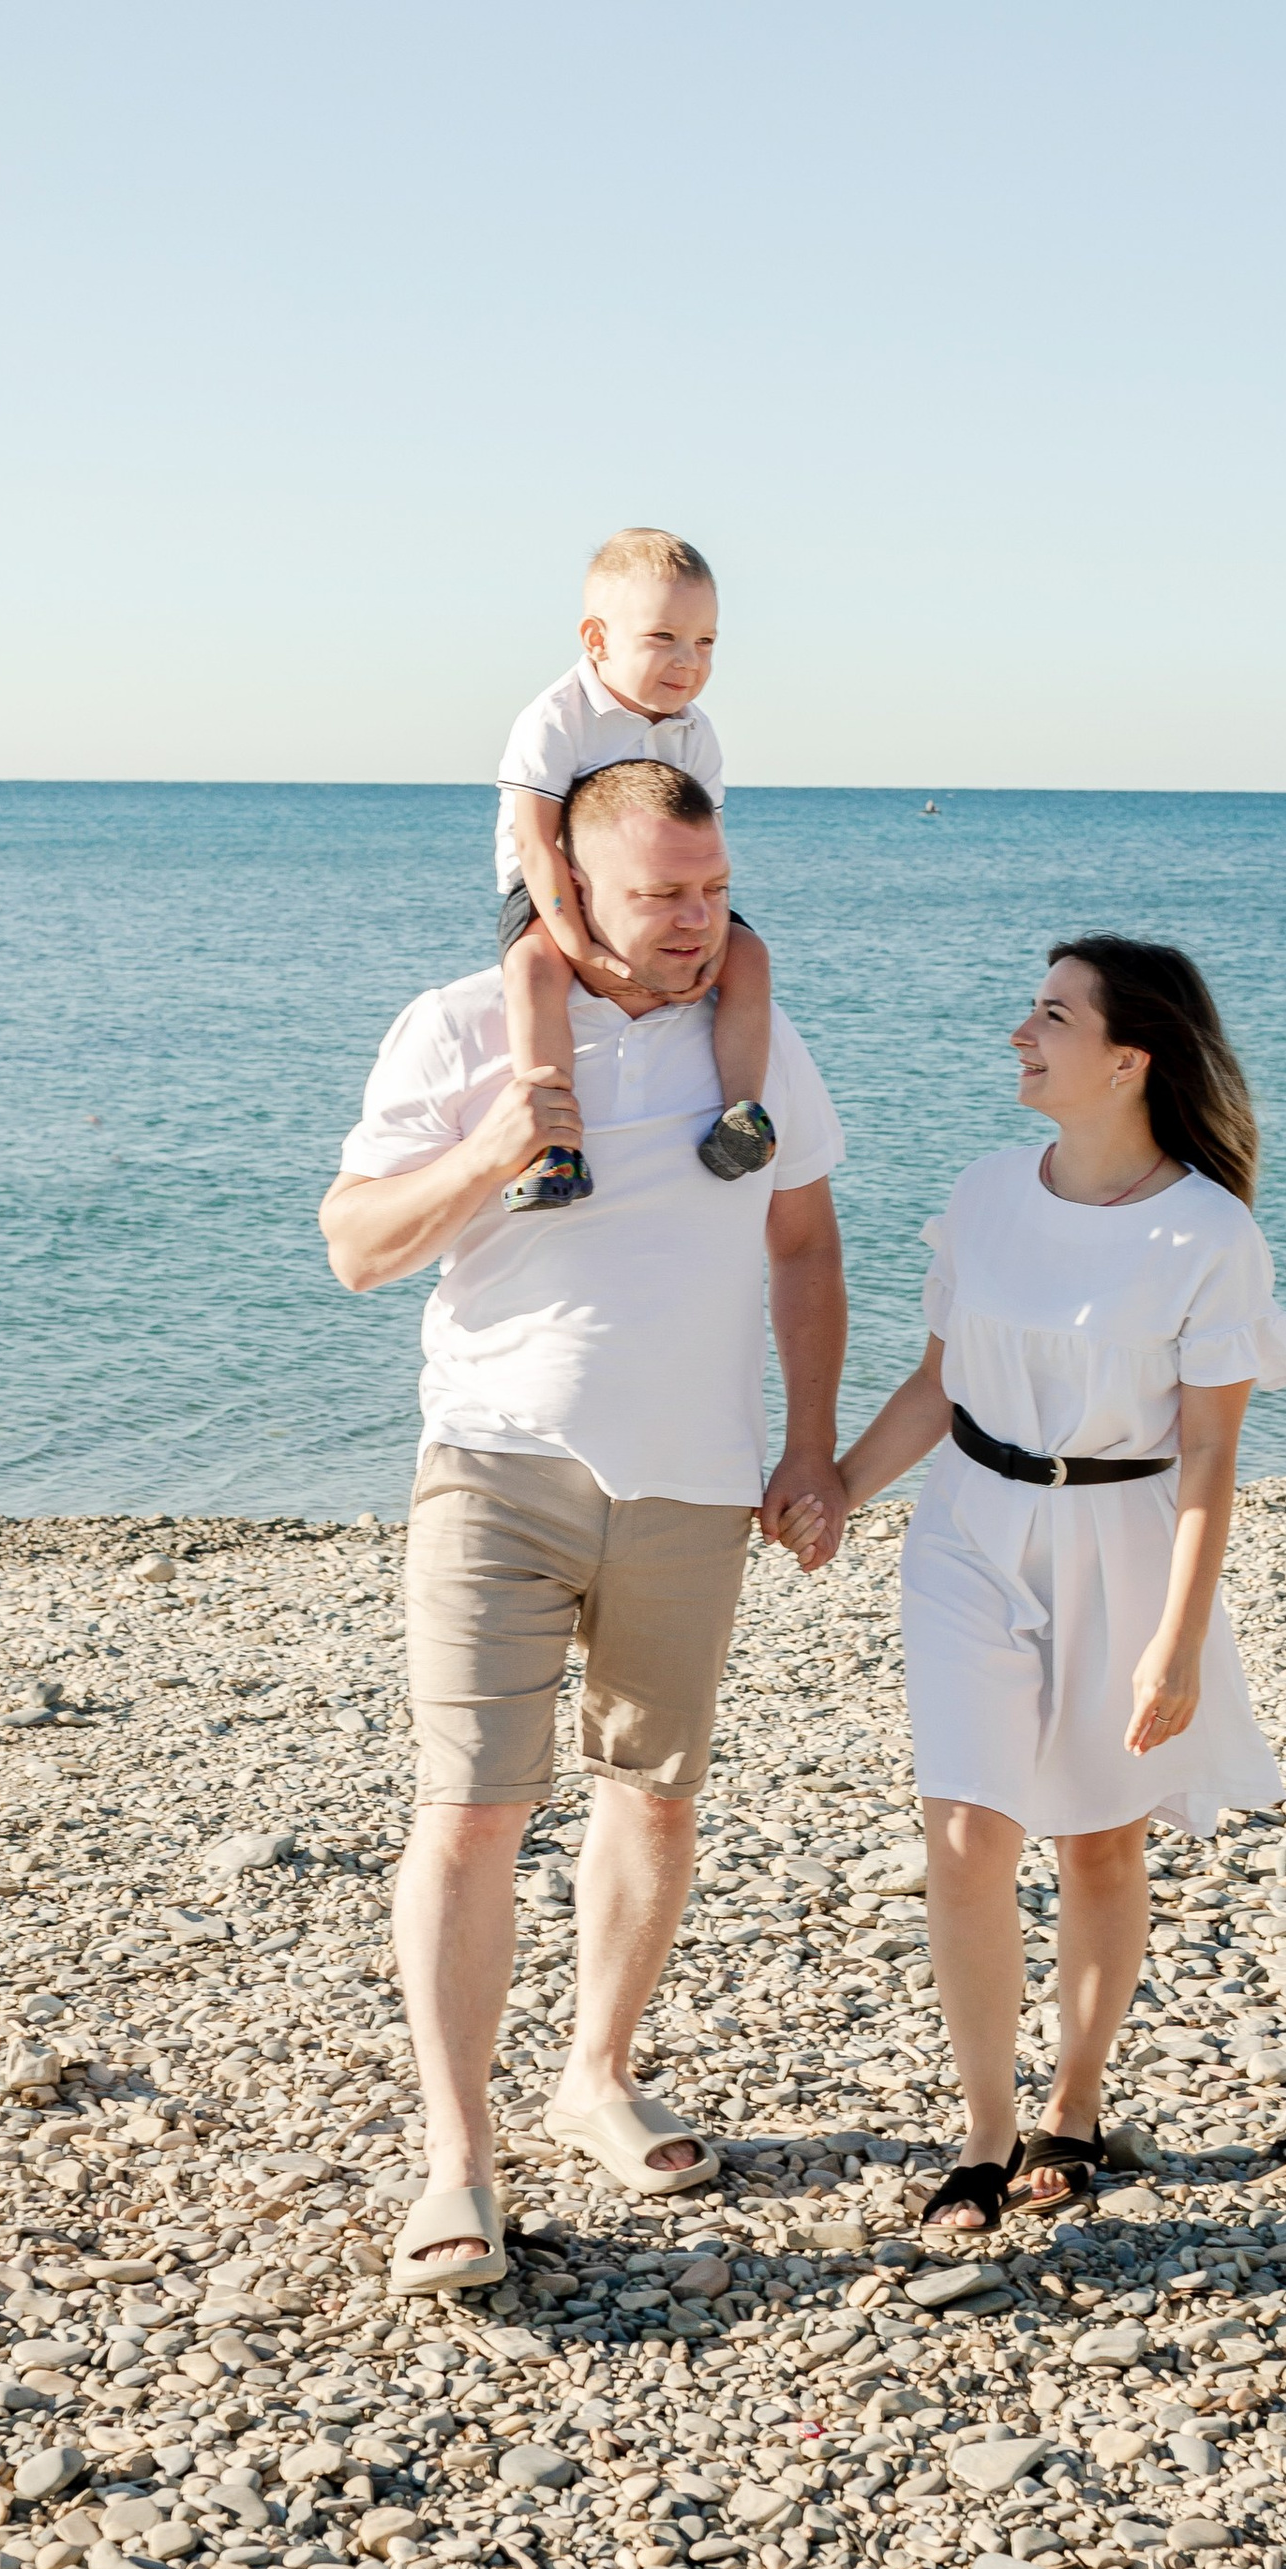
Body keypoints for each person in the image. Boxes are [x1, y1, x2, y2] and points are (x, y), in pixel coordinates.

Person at [319, 757, 848, 2299]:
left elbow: (805, 1246)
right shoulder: (464, 1025)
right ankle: (456, 2164)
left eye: (713, 887)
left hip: (692, 1479)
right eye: (662, 894)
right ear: (573, 886)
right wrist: (492, 1148)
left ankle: (597, 2077)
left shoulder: (751, 1042)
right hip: (494, 1466)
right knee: (476, 1808)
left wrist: (810, 1446)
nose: (699, 921)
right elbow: (354, 1248)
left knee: (655, 1798)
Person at [831, 938, 1286, 2237]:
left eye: (1050, 1015)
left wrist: (1179, 1645)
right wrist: (831, 1487)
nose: (1019, 1034)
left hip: (1124, 1538)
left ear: (1128, 1058)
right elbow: (937, 1383)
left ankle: (1075, 2109)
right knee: (967, 1834)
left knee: (1100, 1838)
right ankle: (985, 2137)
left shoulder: (1207, 1233)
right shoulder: (989, 1190)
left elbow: (1213, 1453)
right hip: (966, 1534)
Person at [494, 528, 777, 1210]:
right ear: (597, 639)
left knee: (750, 956)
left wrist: (711, 938)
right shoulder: (556, 720)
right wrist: (579, 946)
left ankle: (742, 1113)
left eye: (705, 642)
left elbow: (707, 848)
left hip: (662, 888)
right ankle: (554, 1145)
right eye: (663, 638)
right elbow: (536, 845)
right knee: (533, 970)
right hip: (552, 888)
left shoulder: (695, 732)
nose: (689, 662)